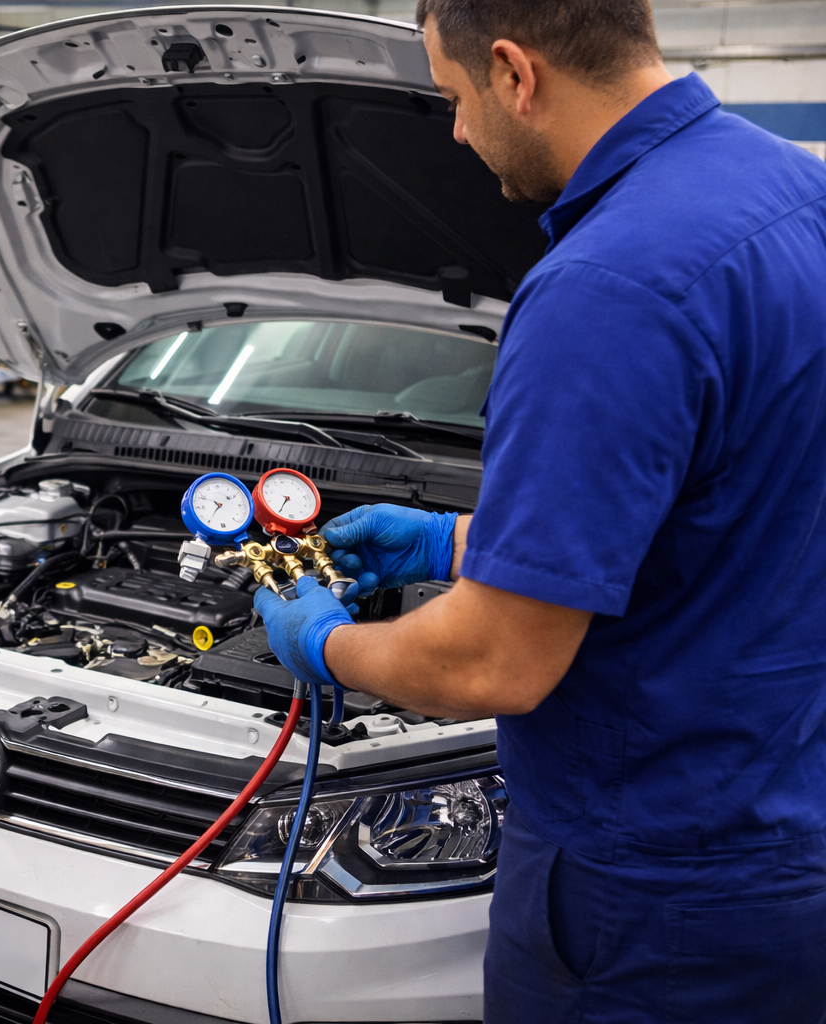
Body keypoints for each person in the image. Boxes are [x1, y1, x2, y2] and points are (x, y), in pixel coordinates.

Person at [254, 1, 826, 1021]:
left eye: (454, 99)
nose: (460, 133)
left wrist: (327, 645)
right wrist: (454, 538)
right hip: (784, 828)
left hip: (651, 899)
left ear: (514, 72)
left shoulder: (606, 287)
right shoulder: (796, 192)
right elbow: (727, 503)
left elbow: (494, 661)